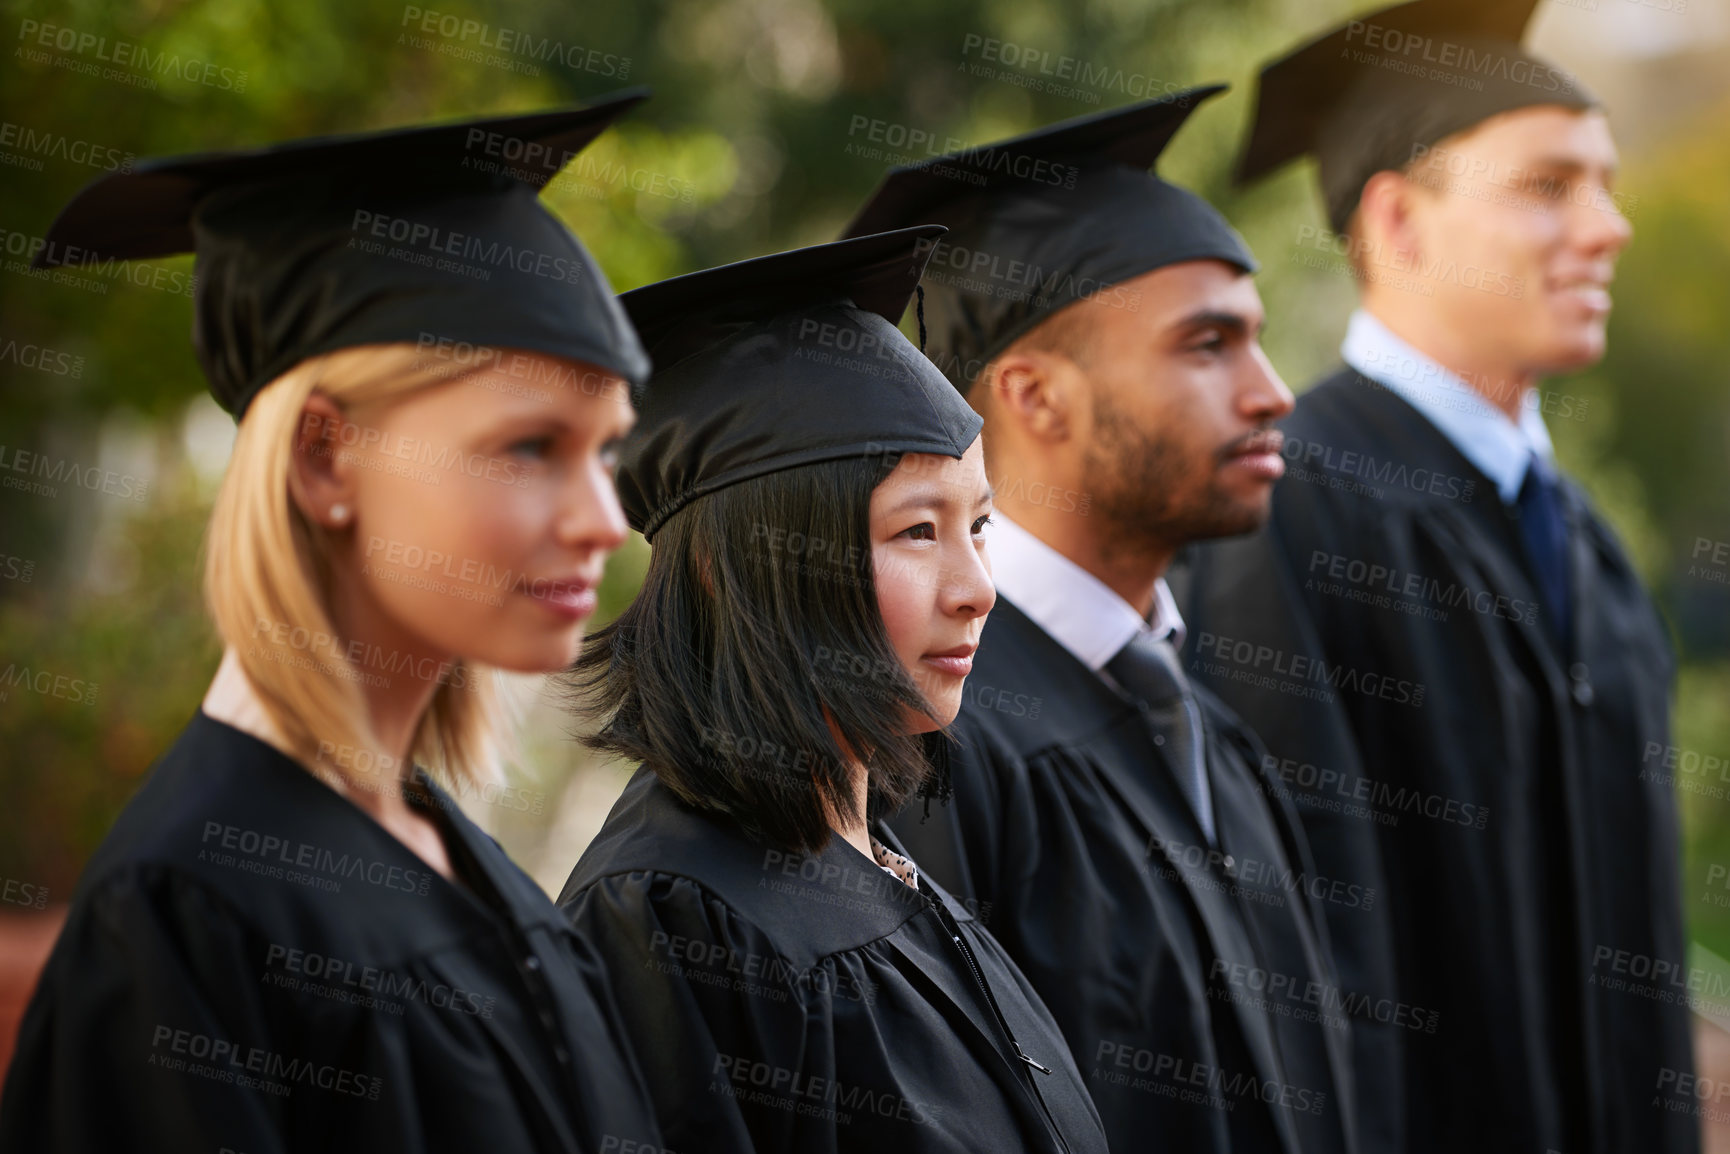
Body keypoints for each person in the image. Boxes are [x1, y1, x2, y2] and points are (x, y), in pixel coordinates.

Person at [0, 97, 668, 1153]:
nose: (601, 519)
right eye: (531, 445)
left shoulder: (456, 859)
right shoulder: (189, 916)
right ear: (323, 456)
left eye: (605, 451)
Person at [1174, 1, 1695, 1150]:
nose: (1606, 226)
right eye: (1547, 186)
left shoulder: (1585, 542)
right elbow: (1302, 960)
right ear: (1399, 221)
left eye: (1604, 182)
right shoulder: (1284, 509)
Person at [846, 89, 1357, 1154]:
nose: (1272, 393)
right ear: (1034, 396)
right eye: (1206, 344)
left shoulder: (1200, 723)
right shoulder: (933, 743)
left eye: (1256, 341)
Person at [557, 227, 1110, 1154]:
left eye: (978, 525)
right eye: (916, 533)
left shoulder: (875, 854)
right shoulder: (673, 916)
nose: (979, 586)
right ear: (740, 572)